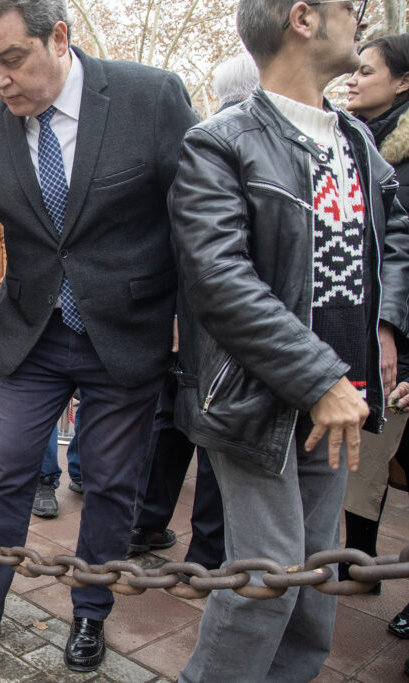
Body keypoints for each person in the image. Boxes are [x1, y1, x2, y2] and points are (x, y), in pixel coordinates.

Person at [0, 0, 198, 672]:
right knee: (6, 474)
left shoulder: (150, 98)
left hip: (128, 332)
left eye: (11, 58)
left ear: (58, 37)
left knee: (110, 482)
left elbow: (196, 215)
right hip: (34, 333)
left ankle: (89, 614)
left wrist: (188, 318)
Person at [168, 1, 409, 679]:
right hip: (255, 398)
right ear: (303, 17)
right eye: (350, 7)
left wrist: (386, 326)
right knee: (268, 577)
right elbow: (219, 280)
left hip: (343, 397)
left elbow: (396, 236)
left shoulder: (357, 141)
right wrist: (318, 378)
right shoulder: (220, 141)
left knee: (314, 576)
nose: (361, 18)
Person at [127, 53, 259, 566]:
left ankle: (145, 522)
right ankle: (206, 550)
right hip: (224, 312)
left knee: (174, 420)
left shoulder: (195, 140)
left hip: (185, 309)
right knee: (214, 430)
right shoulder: (237, 142)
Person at [343, 30, 409, 626]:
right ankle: (358, 564)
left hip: (401, 334)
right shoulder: (352, 140)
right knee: (366, 458)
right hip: (368, 328)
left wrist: (390, 324)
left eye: (367, 70)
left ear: (403, 80)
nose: (354, 78)